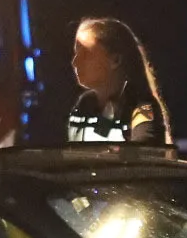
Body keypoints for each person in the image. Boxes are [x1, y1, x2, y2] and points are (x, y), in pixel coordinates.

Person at [65, 17, 170, 145]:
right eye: (76, 53)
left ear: (115, 60)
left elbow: (143, 151)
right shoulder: (84, 104)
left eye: (85, 54)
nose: (75, 62)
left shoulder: (141, 107)